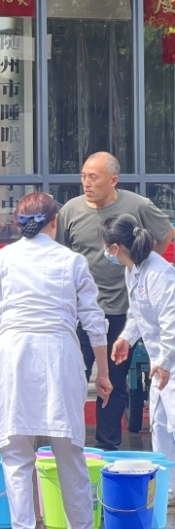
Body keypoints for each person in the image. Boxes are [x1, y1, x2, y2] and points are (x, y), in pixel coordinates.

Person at [0, 191, 113, 529]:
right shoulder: (72, 261)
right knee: (69, 451)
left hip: (13, 356)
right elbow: (94, 320)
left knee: (15, 453)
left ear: (17, 224)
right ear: (55, 222)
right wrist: (103, 371)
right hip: (59, 355)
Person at [57, 152, 174, 450]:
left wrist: (143, 264)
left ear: (113, 180)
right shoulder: (71, 211)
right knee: (73, 377)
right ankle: (67, 442)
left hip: (122, 314)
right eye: (83, 176)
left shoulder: (138, 211)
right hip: (82, 312)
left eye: (93, 177)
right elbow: (60, 256)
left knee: (117, 383)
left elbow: (170, 322)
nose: (86, 182)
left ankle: (108, 444)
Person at [105, 214, 175, 485]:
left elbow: (171, 320)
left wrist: (165, 361)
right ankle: (168, 489)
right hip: (161, 361)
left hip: (168, 358)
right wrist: (126, 338)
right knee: (160, 425)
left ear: (114, 248)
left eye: (104, 246)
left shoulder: (158, 273)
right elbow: (137, 312)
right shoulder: (133, 269)